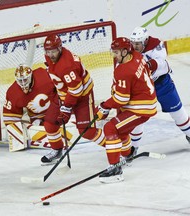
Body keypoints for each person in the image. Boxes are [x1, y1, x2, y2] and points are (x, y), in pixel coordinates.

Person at [94, 37, 157, 183]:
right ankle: (128, 155)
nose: (113, 55)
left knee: (110, 128)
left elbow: (122, 99)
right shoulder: (136, 55)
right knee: (121, 130)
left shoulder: (124, 70)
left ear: (124, 51)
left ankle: (115, 169)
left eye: (116, 52)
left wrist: (104, 106)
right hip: (144, 101)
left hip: (140, 108)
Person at [43, 34, 105, 163]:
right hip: (64, 95)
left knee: (87, 131)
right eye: (47, 51)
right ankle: (57, 150)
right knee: (50, 123)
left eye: (53, 51)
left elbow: (77, 90)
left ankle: (116, 146)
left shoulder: (67, 65)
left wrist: (66, 109)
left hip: (82, 96)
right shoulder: (50, 57)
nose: (50, 55)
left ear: (60, 48)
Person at [129, 27, 190, 150]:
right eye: (133, 43)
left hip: (162, 84)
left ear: (145, 41)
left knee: (178, 113)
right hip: (142, 89)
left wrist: (146, 66)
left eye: (137, 43)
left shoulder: (156, 45)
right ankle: (133, 148)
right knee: (138, 116)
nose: (134, 46)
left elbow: (161, 63)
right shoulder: (128, 50)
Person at [3, 64, 66, 164]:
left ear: (31, 75)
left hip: (56, 110)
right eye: (20, 80)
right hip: (37, 118)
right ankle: (57, 143)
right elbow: (10, 116)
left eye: (25, 79)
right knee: (37, 125)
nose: (23, 83)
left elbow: (63, 87)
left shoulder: (44, 75)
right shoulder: (13, 92)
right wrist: (17, 138)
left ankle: (56, 143)